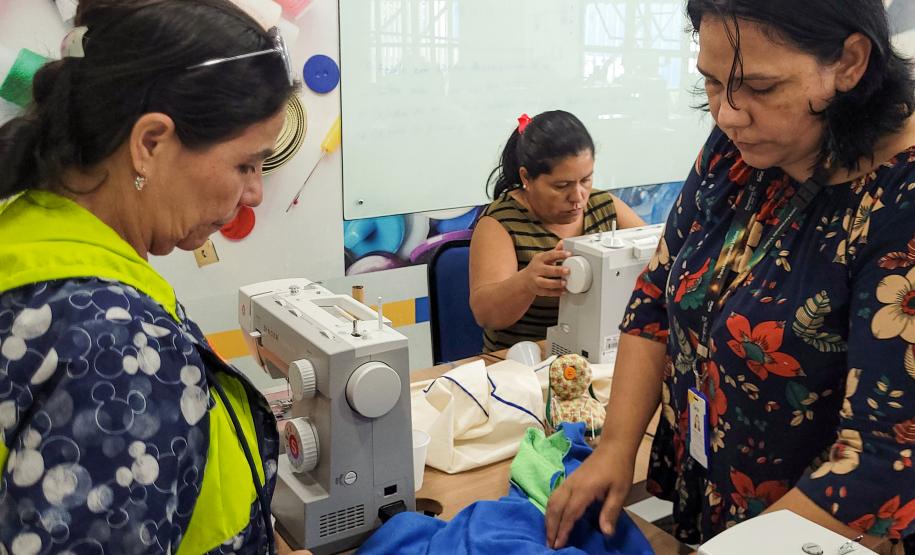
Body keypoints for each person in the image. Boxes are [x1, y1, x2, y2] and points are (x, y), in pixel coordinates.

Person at [545, 0, 915, 551]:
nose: (727, 114)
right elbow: (654, 294)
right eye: (712, 84)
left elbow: (885, 459)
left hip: (825, 532)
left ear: (850, 62)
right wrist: (618, 446)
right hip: (722, 494)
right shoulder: (740, 150)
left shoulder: (900, 207)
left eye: (760, 88)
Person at [0, 1, 311, 553]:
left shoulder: (28, 241)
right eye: (245, 163)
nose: (256, 192)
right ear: (150, 144)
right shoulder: (116, 347)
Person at [469, 110, 644, 352]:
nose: (578, 197)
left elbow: (658, 255)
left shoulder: (605, 207)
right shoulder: (501, 223)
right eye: (561, 186)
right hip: (524, 363)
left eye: (586, 180)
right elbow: (486, 315)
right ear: (526, 178)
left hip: (598, 356)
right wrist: (527, 282)